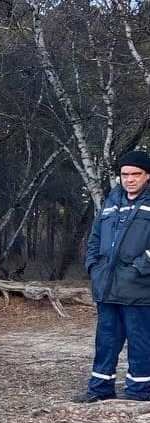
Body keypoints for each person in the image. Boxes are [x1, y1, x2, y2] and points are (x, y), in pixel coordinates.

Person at [76, 150, 150, 403]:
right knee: (106, 340)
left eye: (136, 174)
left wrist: (138, 269)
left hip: (139, 288)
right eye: (125, 174)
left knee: (140, 343)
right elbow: (95, 238)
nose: (129, 179)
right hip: (107, 286)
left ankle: (139, 392)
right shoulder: (111, 202)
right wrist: (93, 267)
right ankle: (100, 389)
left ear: (147, 176)